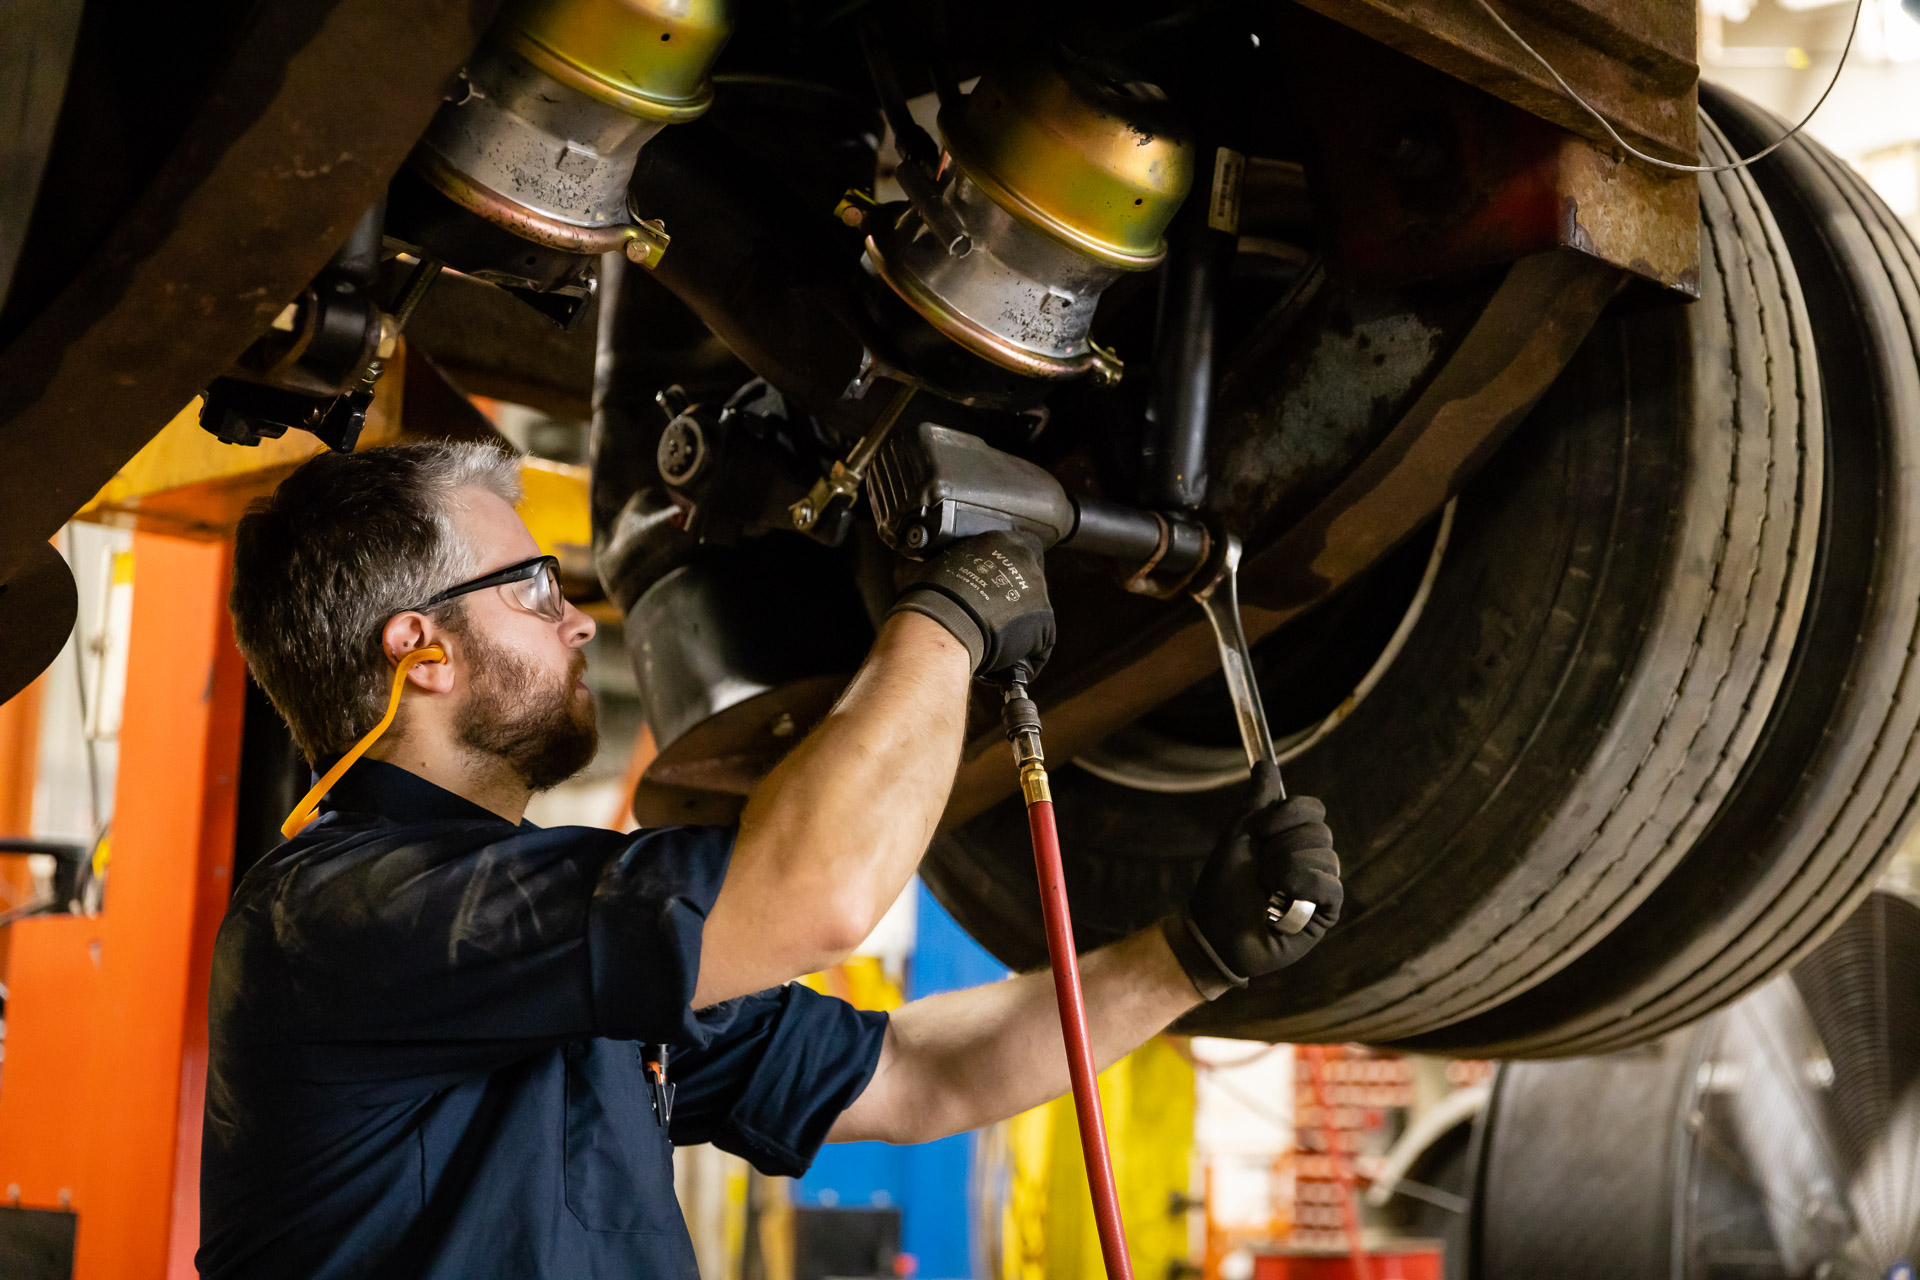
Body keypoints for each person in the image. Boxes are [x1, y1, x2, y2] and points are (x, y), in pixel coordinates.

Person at [198, 441, 1342, 1279]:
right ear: (423, 648)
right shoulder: (339, 914)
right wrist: (944, 618)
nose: (580, 621)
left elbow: (912, 1075)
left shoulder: (544, 945)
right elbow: (820, 893)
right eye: (537, 588)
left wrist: (1192, 956)